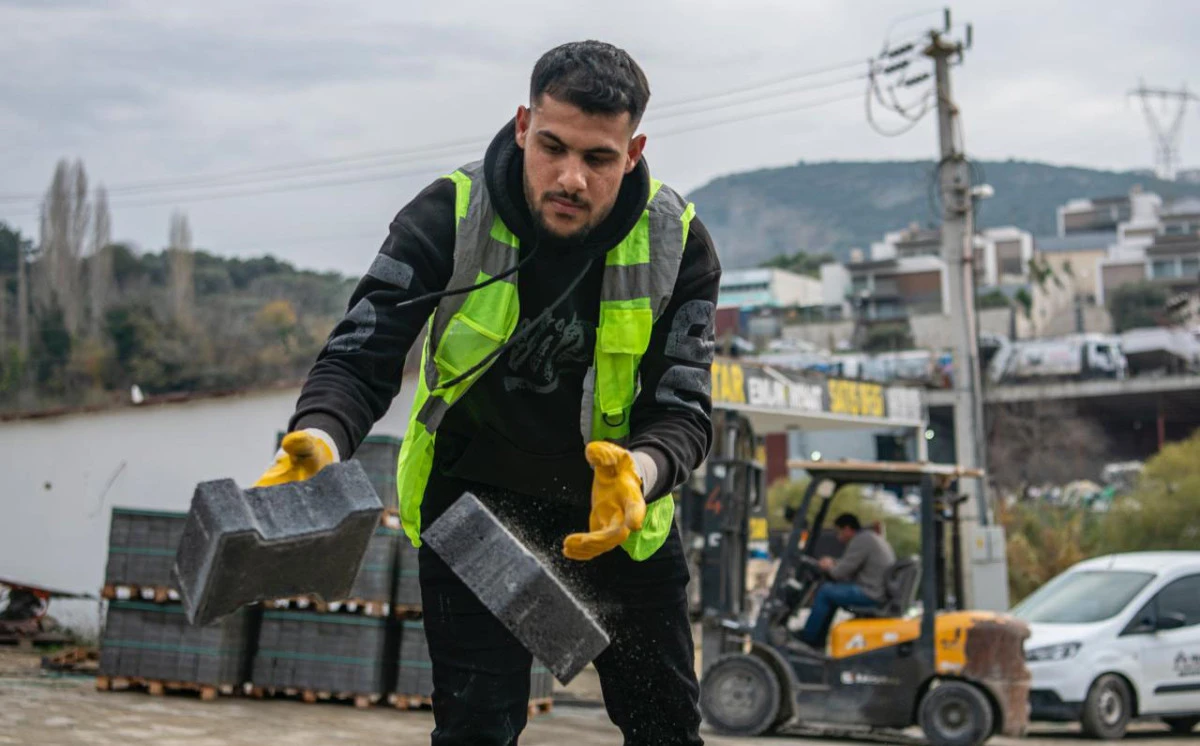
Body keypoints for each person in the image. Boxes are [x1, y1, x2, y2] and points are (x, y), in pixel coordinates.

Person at [254, 40, 720, 746]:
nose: (570, 178)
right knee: (477, 727)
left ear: (633, 151)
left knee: (665, 731)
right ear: (523, 125)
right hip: (474, 505)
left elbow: (683, 410)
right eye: (553, 147)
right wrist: (320, 434)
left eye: (598, 158)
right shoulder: (449, 212)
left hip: (614, 514)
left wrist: (641, 473)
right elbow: (363, 352)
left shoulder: (675, 242)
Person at [796, 513, 896, 650]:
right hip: (876, 589)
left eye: (839, 532)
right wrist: (834, 562)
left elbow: (839, 573)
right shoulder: (870, 538)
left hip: (870, 593)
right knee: (832, 594)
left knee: (825, 592)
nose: (838, 538)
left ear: (848, 529)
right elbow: (850, 564)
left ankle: (808, 638)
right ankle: (818, 640)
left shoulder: (862, 540)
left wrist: (828, 565)